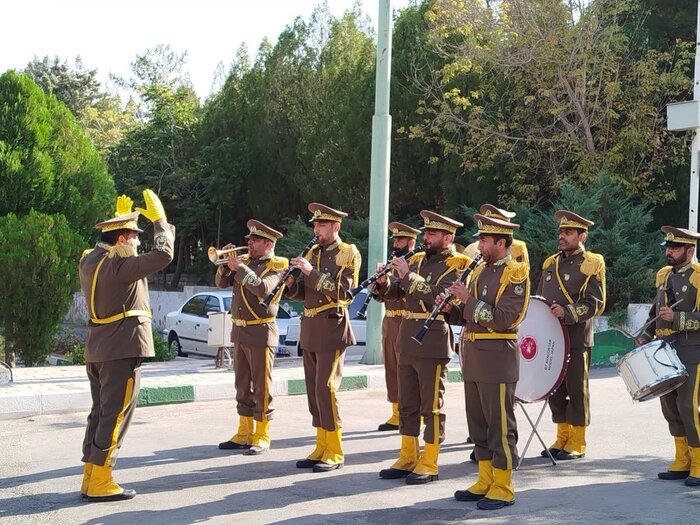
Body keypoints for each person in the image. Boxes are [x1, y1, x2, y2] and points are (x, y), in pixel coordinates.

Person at [78, 190, 174, 502]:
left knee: (100, 413)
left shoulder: (91, 261)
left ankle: (91, 475)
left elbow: (106, 249)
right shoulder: (120, 266)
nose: (138, 243)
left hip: (98, 349)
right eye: (134, 237)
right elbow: (164, 255)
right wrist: (161, 222)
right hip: (121, 349)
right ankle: (102, 480)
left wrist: (122, 220)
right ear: (121, 240)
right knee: (116, 414)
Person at [375, 211, 471, 485]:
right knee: (407, 404)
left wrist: (407, 277)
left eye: (432, 234)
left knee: (431, 405)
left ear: (448, 237)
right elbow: (398, 294)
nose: (425, 238)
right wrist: (385, 284)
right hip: (406, 337)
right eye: (426, 233)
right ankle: (407, 455)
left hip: (432, 338)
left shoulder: (460, 263)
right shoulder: (416, 259)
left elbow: (437, 297)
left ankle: (429, 460)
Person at [448, 212, 529, 510]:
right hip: (472, 357)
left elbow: (505, 319)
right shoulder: (480, 271)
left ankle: (504, 485)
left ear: (500, 242)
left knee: (499, 426)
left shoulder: (516, 273)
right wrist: (448, 308)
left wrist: (467, 300)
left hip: (497, 359)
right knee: (478, 424)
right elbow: (467, 316)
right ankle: (484, 479)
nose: (479, 245)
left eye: (483, 240)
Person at [284, 203, 361, 472]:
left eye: (322, 225)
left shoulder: (348, 252)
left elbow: (344, 292)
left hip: (332, 326)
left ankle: (335, 449)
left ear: (335, 227)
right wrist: (291, 286)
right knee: (312, 390)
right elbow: (307, 293)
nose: (316, 230)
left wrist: (310, 273)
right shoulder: (314, 252)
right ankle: (321, 444)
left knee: (326, 388)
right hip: (310, 326)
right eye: (315, 225)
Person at [216, 220, 288, 455]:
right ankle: (244, 431)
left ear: (268, 244)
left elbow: (262, 289)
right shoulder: (245, 263)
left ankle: (262, 433)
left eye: (254, 240)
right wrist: (227, 264)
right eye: (249, 240)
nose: (249, 243)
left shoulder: (277, 267)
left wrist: (240, 269)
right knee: (242, 384)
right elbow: (220, 282)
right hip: (240, 331)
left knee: (262, 386)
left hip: (261, 332)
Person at [538, 210, 606, 461]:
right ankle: (562, 436)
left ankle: (578, 440)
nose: (562, 236)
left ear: (582, 235)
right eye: (561, 232)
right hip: (552, 337)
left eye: (568, 232)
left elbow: (595, 303)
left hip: (576, 336)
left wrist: (567, 312)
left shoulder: (592, 262)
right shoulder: (550, 263)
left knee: (577, 389)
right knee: (555, 388)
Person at [636, 226, 700, 486]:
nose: (669, 252)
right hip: (665, 348)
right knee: (670, 405)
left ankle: (698, 460)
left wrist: (678, 318)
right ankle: (682, 458)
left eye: (674, 248)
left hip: (691, 349)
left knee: (688, 406)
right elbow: (656, 309)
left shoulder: (698, 276)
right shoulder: (664, 275)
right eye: (668, 247)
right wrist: (647, 335)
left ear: (690, 250)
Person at [373, 222, 421, 432]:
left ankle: (413, 414)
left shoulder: (417, 263)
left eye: (400, 240)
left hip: (406, 320)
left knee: (407, 372)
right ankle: (396, 412)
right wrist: (380, 283)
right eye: (394, 240)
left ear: (411, 242)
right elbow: (381, 297)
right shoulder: (392, 263)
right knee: (392, 370)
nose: (395, 244)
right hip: (390, 321)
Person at [463, 204, 529, 265]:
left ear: (501, 243)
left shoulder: (513, 272)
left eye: (483, 240)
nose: (478, 247)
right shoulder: (480, 269)